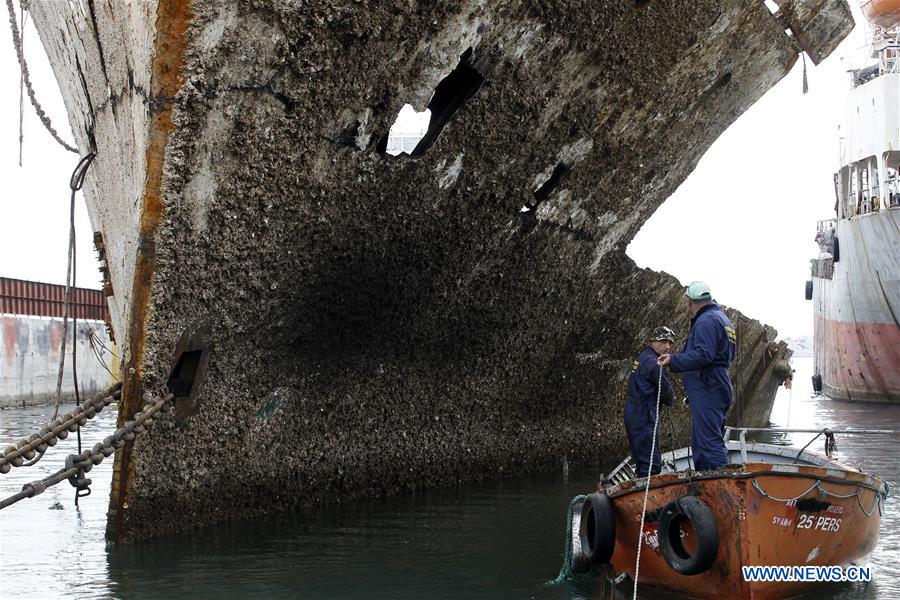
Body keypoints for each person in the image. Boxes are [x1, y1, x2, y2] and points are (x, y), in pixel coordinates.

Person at [658, 281, 736, 471]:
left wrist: (673, 360)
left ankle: (720, 483)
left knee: (708, 442)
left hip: (708, 386)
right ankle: (707, 482)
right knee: (705, 438)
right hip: (717, 384)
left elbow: (704, 354)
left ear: (690, 302)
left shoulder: (706, 321)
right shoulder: (722, 319)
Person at [625, 326, 676, 477]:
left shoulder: (642, 358)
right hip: (644, 414)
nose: (667, 346)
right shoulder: (654, 364)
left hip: (633, 412)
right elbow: (668, 395)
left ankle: (641, 486)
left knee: (641, 458)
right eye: (663, 341)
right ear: (652, 341)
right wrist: (672, 398)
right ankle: (646, 495)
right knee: (651, 464)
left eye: (669, 342)